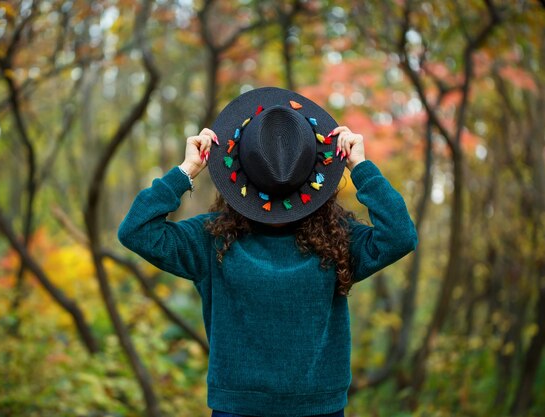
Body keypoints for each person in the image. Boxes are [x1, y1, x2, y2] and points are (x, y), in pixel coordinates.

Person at [118, 87, 418, 417]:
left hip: (239, 409)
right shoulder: (338, 240)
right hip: (318, 409)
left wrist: (185, 171)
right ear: (314, 171)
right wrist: (360, 167)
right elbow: (400, 235)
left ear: (237, 174)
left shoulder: (212, 238)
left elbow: (137, 230)